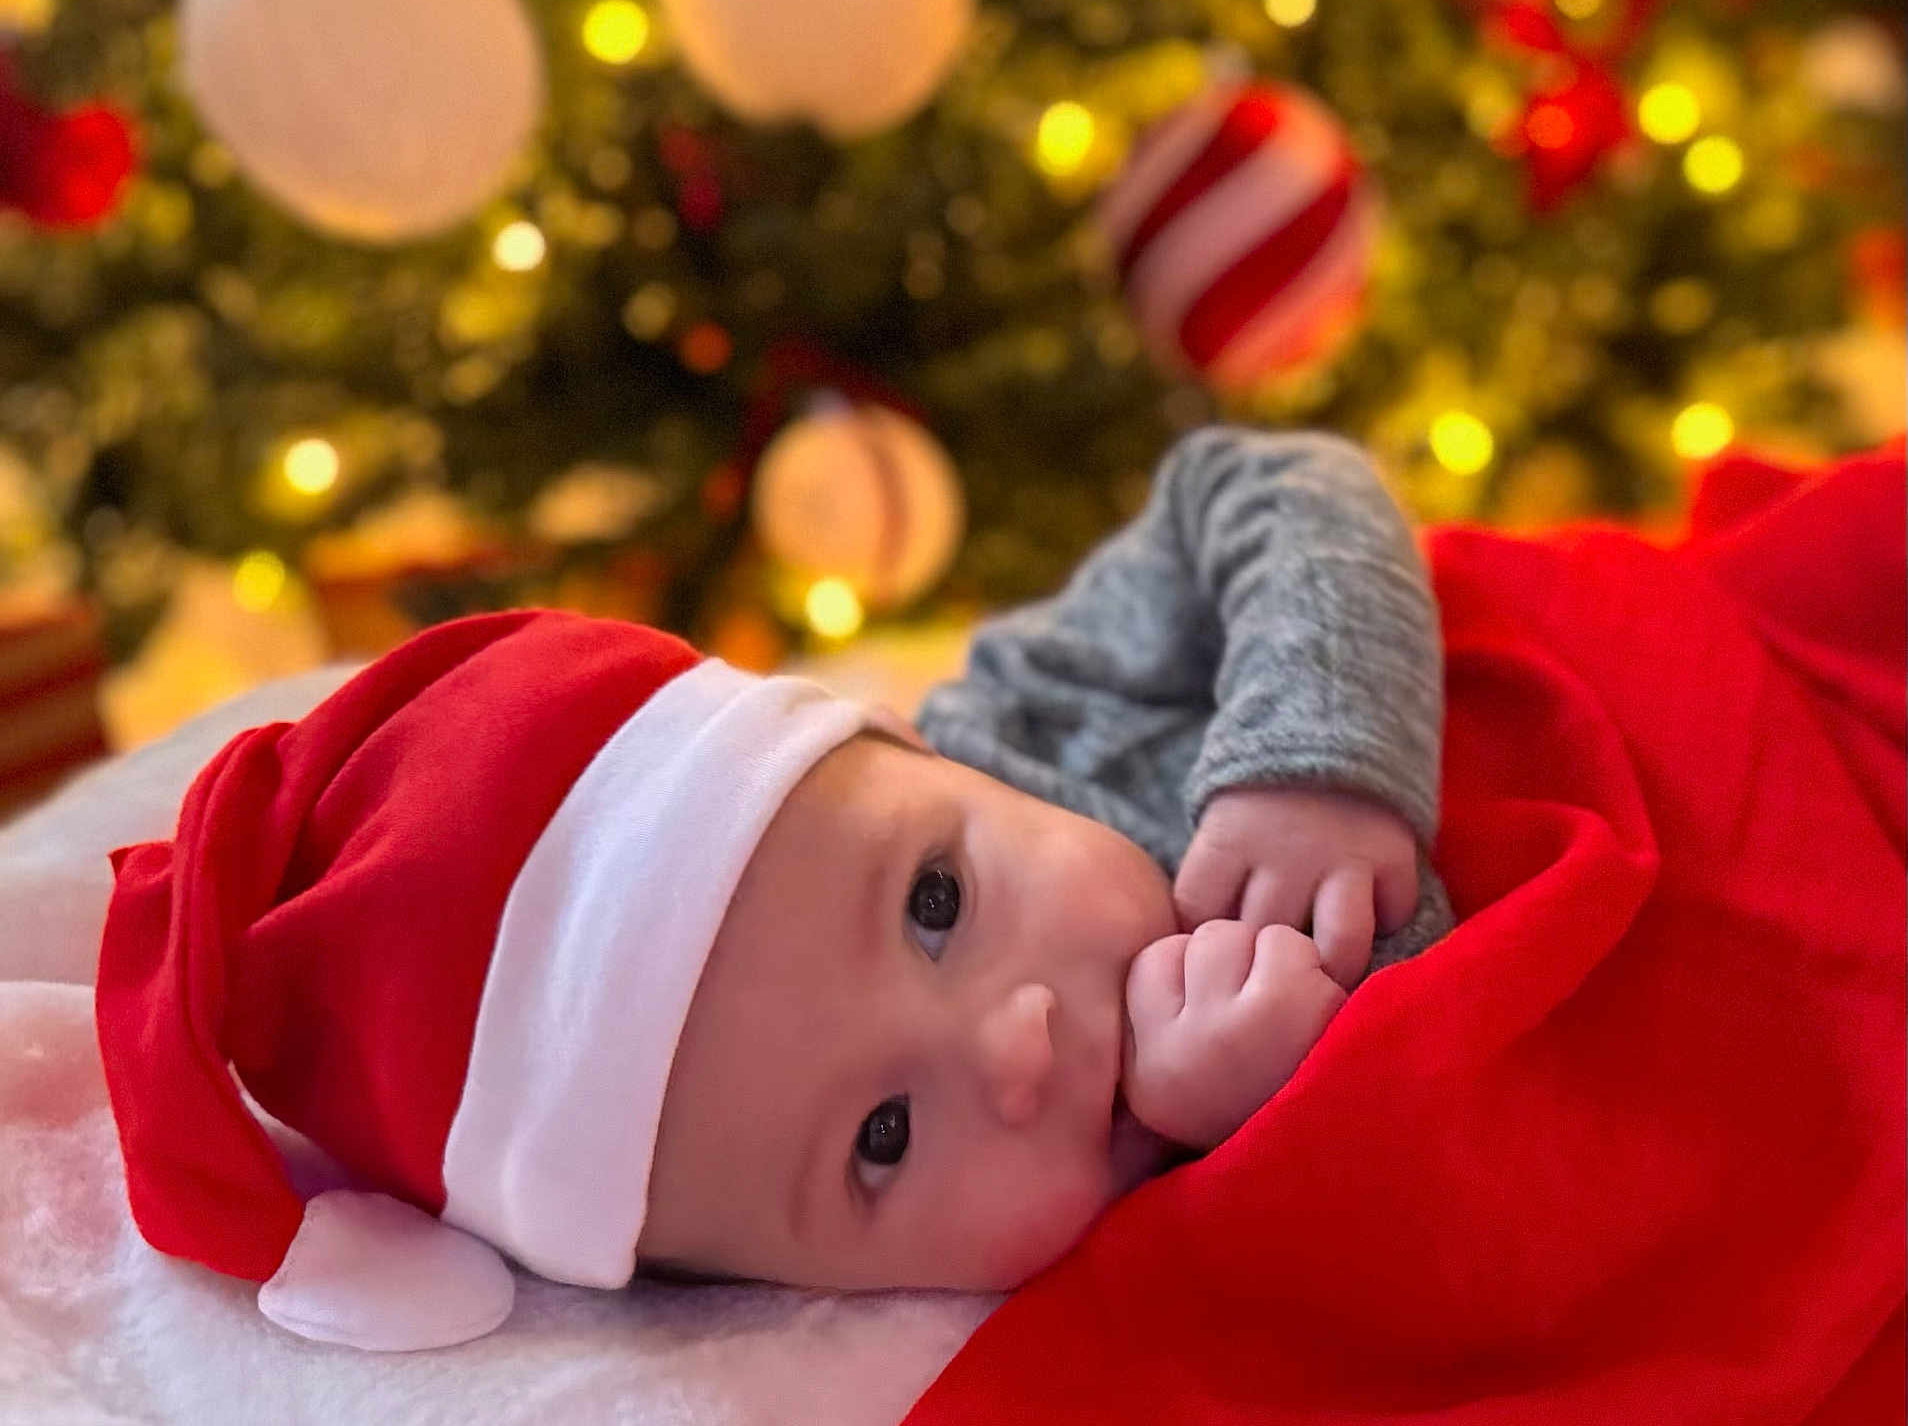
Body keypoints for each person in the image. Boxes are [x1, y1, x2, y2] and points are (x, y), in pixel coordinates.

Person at [94, 427, 1448, 1351]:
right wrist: (1270, 1132)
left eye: (935, 904)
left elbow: (1271, 482)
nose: (1017, 1042)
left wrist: (1313, 759)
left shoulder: (1040, 710)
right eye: (882, 1141)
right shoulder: (1090, 1301)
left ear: (902, 745)